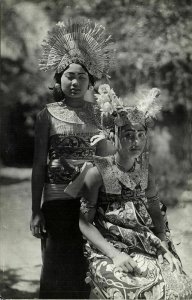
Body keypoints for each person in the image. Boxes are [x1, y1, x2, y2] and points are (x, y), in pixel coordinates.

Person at [79, 85, 192, 299]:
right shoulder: (98, 173)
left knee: (180, 287)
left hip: (146, 243)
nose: (136, 141)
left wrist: (163, 244)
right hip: (108, 247)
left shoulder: (146, 170)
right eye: (129, 135)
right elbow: (83, 222)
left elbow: (154, 207)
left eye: (141, 134)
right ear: (114, 136)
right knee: (129, 291)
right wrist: (115, 255)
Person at [30, 18, 115, 299]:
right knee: (55, 270)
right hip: (56, 201)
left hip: (92, 203)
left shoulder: (101, 115)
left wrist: (107, 144)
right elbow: (38, 165)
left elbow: (108, 160)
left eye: (81, 76)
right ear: (59, 79)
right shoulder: (47, 115)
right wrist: (35, 210)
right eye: (69, 75)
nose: (75, 81)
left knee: (88, 272)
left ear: (91, 80)